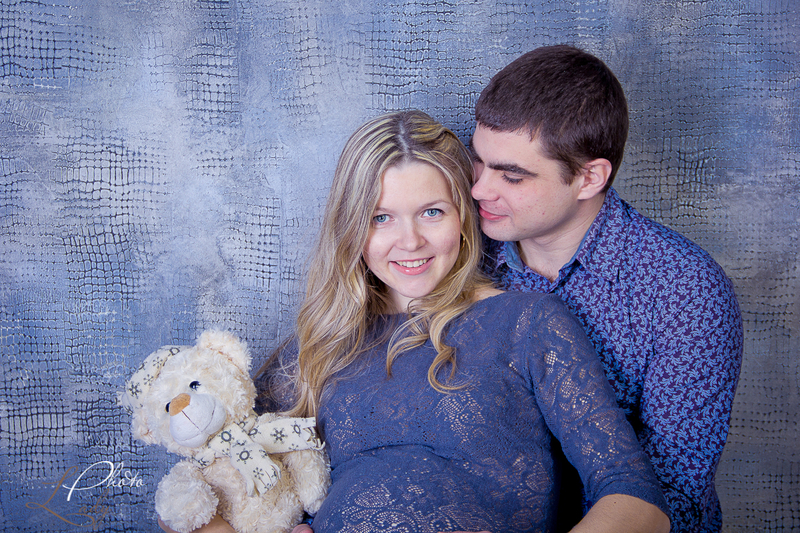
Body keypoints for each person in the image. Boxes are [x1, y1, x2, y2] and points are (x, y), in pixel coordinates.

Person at [254, 109, 670, 533]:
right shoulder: (318, 347)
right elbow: (219, 475)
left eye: (432, 212)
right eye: (381, 218)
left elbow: (637, 498)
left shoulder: (526, 324)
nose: (410, 241)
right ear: (352, 229)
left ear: (463, 217)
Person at [470, 45, 743, 533]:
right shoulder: (464, 254)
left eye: (511, 176)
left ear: (589, 178)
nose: (478, 190)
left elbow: (674, 493)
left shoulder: (685, 290)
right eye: (479, 162)